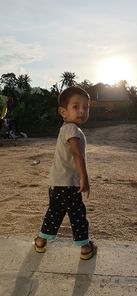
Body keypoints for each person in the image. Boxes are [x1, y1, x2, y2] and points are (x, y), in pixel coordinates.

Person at [34, 86, 97, 260]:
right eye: (76, 107)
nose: (82, 110)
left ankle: (40, 241)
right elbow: (77, 154)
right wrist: (84, 177)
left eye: (86, 107)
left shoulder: (66, 128)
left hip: (56, 184)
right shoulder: (72, 129)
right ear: (63, 111)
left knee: (54, 213)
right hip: (69, 184)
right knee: (77, 216)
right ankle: (85, 248)